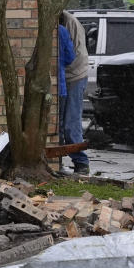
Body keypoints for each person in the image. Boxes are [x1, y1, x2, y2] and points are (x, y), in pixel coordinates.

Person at [59, 10, 90, 174]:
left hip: (74, 76)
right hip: (64, 78)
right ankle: (60, 160)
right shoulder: (62, 25)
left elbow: (73, 55)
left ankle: (81, 162)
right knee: (61, 124)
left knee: (71, 122)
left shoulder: (69, 23)